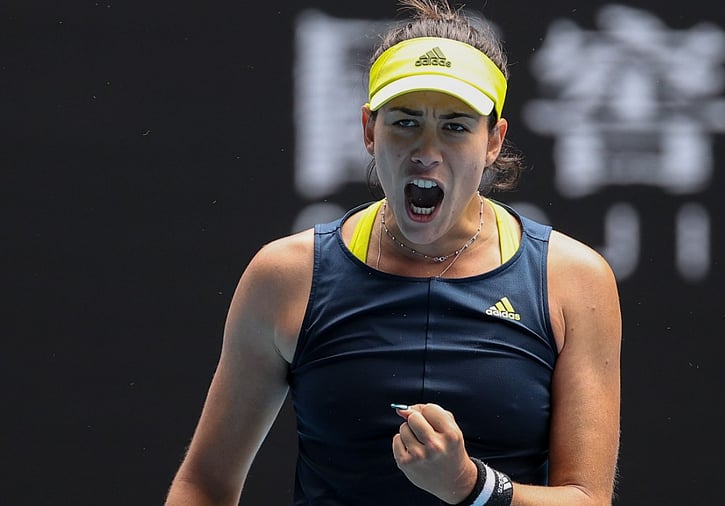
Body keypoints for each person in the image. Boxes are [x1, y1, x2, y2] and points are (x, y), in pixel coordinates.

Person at [165, 0, 622, 504]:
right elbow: (203, 485)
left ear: (493, 141)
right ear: (369, 130)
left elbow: (587, 498)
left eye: (455, 126)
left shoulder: (573, 280)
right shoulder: (286, 277)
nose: (426, 151)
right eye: (405, 122)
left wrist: (471, 487)